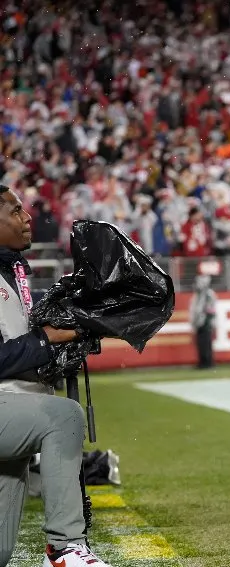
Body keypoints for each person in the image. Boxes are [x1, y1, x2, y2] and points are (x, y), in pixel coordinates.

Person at [0, 185, 113, 567]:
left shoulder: (12, 273)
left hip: (10, 406)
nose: (27, 217)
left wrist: (57, 349)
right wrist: (45, 340)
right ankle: (63, 548)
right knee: (64, 416)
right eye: (15, 211)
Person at [189, 274, 216, 369]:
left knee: (206, 342)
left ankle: (208, 362)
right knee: (201, 343)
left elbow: (211, 309)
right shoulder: (198, 295)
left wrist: (206, 319)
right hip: (199, 322)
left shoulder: (208, 294)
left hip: (206, 322)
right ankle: (202, 362)